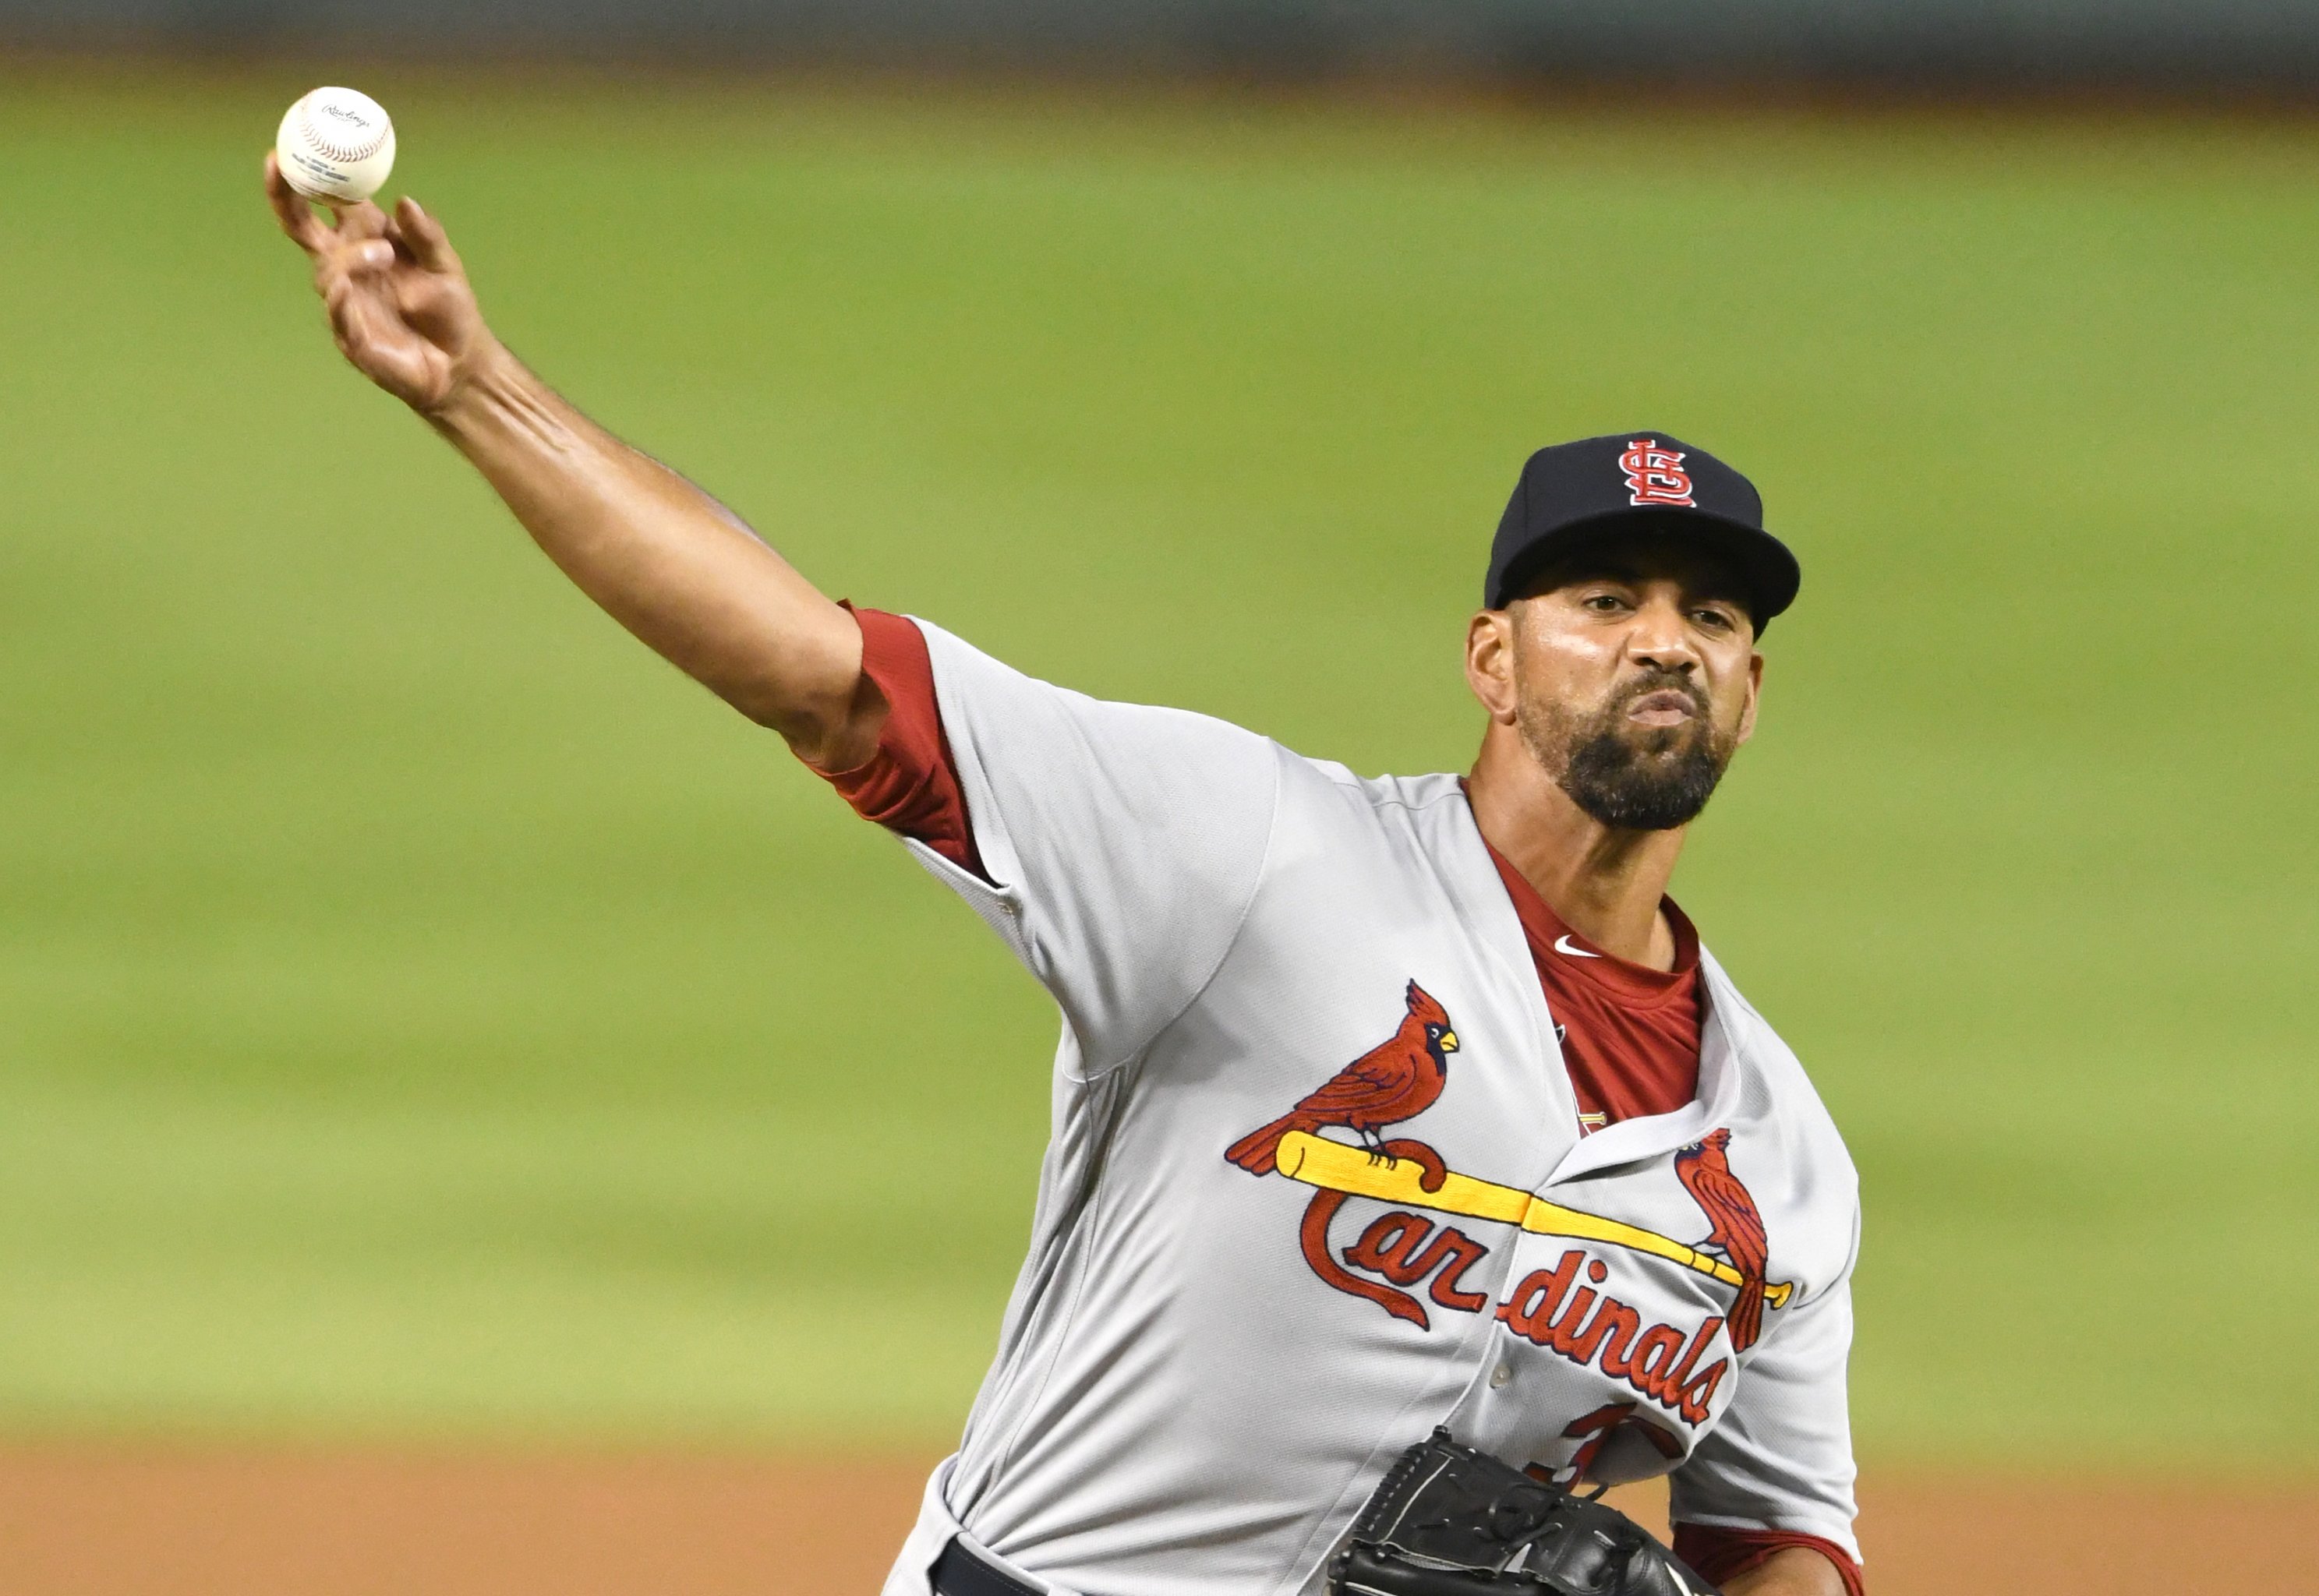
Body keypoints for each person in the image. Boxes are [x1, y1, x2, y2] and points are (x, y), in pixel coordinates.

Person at [264, 157, 1864, 1596]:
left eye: (1714, 618)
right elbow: (828, 680)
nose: (1667, 637)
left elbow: (1778, 1535)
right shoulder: (1254, 851)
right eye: (1607, 596)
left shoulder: (1781, 1160)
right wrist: (480, 391)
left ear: (1751, 688)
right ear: (1493, 660)